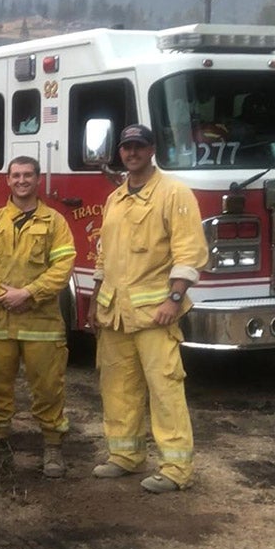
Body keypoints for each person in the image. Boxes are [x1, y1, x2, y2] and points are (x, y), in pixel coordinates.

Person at [91, 124, 208, 493]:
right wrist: (96, 302)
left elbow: (190, 252)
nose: (131, 153)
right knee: (117, 386)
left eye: (139, 146)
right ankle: (125, 456)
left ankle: (176, 468)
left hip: (155, 313)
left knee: (164, 389)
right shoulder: (117, 198)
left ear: (152, 149)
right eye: (126, 147)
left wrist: (174, 299)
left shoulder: (174, 193)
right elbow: (103, 254)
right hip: (115, 313)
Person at [0, 156, 76, 478]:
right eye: (16, 175)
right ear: (8, 180)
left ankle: (53, 447)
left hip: (41, 323)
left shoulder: (55, 222)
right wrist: (3, 294)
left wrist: (28, 293)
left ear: (38, 179)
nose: (22, 180)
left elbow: (63, 268)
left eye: (28, 174)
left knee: (48, 388)